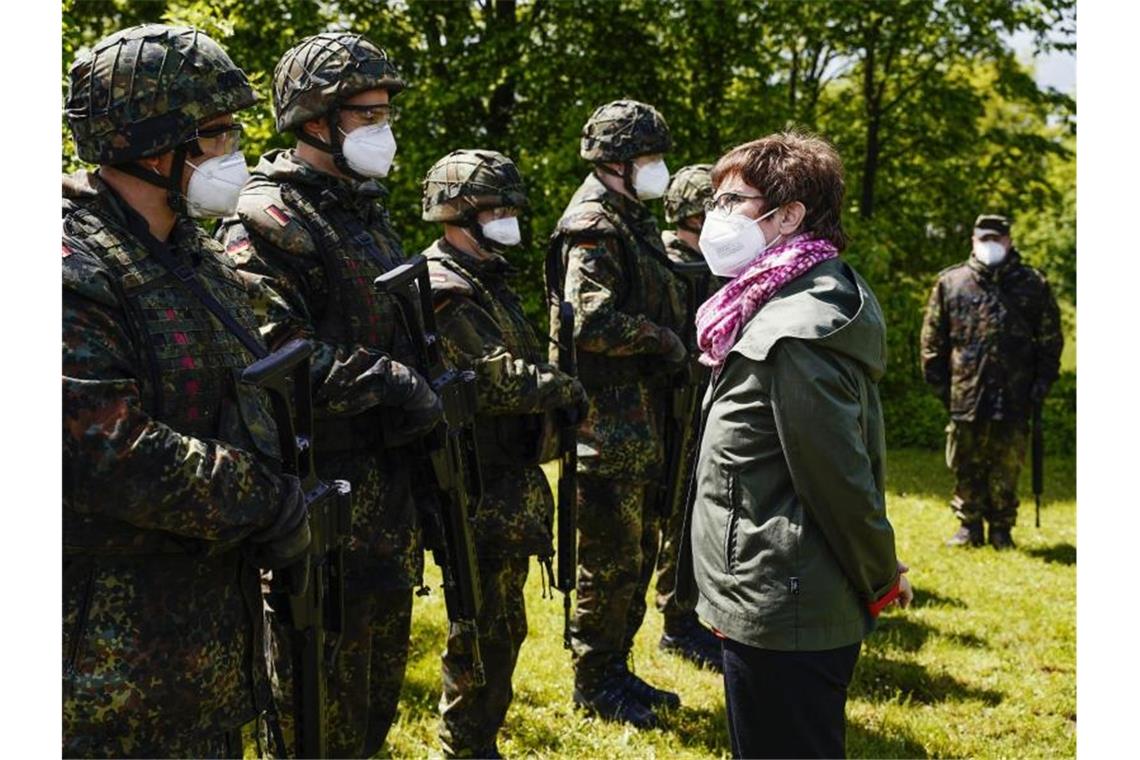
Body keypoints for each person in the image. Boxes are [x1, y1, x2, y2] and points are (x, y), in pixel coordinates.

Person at [62, 24, 310, 757]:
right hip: (106, 677)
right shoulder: (71, 263)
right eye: (215, 132)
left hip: (207, 653)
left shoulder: (194, 258)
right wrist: (267, 498)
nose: (235, 148)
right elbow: (106, 451)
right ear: (151, 140)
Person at [218, 32, 441, 757]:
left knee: (372, 709)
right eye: (367, 115)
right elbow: (277, 359)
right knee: (318, 718)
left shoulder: (362, 210)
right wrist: (393, 381)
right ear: (316, 121)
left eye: (385, 113)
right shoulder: (266, 219)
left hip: (386, 504)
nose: (385, 130)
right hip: (322, 511)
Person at [677, 132, 912, 759]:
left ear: (788, 216)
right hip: (770, 588)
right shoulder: (769, 299)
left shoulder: (796, 329)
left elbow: (838, 479)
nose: (714, 216)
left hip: (787, 603)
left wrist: (882, 575)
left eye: (732, 201)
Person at [419, 149, 588, 757]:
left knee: (502, 626)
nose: (509, 217)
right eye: (497, 207)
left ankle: (476, 741)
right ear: (457, 212)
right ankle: (463, 744)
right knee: (482, 630)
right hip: (477, 487)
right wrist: (564, 386)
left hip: (507, 484)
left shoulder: (487, 275)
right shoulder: (444, 287)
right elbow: (495, 379)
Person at [547, 99, 688, 729]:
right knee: (607, 562)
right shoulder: (594, 226)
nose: (660, 169)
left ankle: (618, 669)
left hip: (638, 423)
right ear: (618, 163)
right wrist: (663, 339)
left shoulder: (628, 218)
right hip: (605, 427)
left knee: (634, 555)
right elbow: (591, 320)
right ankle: (595, 681)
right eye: (650, 158)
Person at [920, 214, 1063, 549]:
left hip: (1016, 394)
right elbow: (932, 343)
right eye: (984, 239)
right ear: (973, 241)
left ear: (1009, 241)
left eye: (997, 239)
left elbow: (1051, 340)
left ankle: (1001, 528)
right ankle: (969, 526)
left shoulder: (1033, 284)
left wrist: (1042, 383)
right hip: (966, 392)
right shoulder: (951, 283)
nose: (990, 245)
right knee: (965, 461)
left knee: (1007, 462)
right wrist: (945, 389)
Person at [652, 163, 724, 671]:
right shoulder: (668, 265)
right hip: (668, 416)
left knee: (695, 518)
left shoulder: (712, 266)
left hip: (700, 412)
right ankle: (677, 623)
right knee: (678, 519)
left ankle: (686, 617)